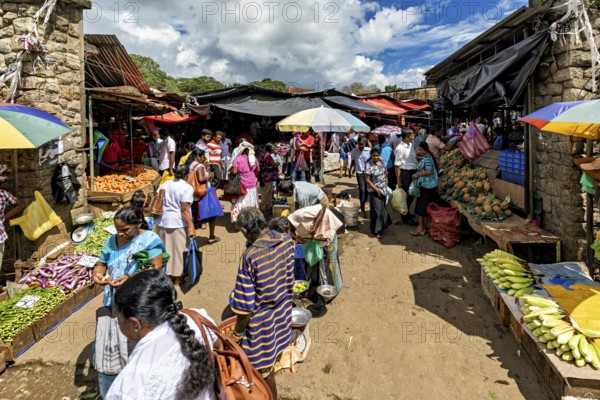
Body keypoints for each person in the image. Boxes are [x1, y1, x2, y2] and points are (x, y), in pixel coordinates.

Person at [106, 269, 217, 400]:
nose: (118, 324)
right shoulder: (198, 318)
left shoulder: (127, 387)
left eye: (118, 318)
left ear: (135, 324)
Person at [91, 206, 166, 397]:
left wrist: (129, 277)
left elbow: (155, 267)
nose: (121, 234)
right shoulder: (111, 240)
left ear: (138, 224)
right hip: (114, 301)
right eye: (118, 230)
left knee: (139, 346)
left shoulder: (150, 240)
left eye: (125, 230)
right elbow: (102, 262)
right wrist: (98, 273)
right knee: (114, 348)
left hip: (139, 301)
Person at [229, 208, 294, 398]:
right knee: (274, 356)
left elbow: (245, 306)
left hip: (263, 324)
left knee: (265, 371)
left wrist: (237, 333)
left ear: (245, 231)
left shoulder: (251, 256)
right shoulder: (287, 240)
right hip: (283, 313)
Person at [154, 165, 196, 284]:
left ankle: (165, 274)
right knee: (179, 250)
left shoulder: (165, 184)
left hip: (162, 221)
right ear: (187, 175)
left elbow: (158, 199)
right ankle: (178, 277)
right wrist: (191, 226)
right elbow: (184, 209)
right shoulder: (187, 188)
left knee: (165, 249)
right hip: (178, 223)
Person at [186, 149, 223, 244]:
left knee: (193, 218)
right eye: (203, 157)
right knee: (212, 216)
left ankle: (190, 240)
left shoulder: (191, 165)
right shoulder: (199, 166)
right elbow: (201, 179)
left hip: (192, 195)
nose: (204, 159)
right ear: (198, 157)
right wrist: (210, 175)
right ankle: (211, 236)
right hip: (201, 195)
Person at [411, 142, 439, 236]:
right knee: (426, 206)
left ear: (425, 150)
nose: (419, 151)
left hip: (426, 187)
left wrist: (418, 174)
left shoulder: (427, 159)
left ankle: (420, 228)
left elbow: (429, 171)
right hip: (428, 186)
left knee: (421, 207)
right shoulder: (427, 158)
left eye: (420, 149)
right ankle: (427, 226)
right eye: (418, 149)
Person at [229, 141, 260, 223]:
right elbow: (258, 170)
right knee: (252, 202)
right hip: (252, 184)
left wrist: (231, 170)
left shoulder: (237, 159)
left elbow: (235, 171)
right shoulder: (254, 159)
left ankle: (238, 221)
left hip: (242, 185)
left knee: (240, 203)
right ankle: (251, 219)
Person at [365, 147, 392, 239]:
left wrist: (387, 181)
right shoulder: (368, 164)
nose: (376, 157)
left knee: (382, 209)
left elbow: (385, 172)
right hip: (374, 191)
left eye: (377, 155)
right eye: (374, 155)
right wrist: (376, 190)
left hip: (383, 189)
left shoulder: (382, 161)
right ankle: (377, 230)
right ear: (371, 155)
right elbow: (367, 180)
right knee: (376, 210)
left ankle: (380, 226)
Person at [394, 130, 418, 225]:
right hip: (405, 173)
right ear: (407, 137)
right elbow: (397, 166)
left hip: (412, 172)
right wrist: (399, 180)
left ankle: (407, 213)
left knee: (411, 194)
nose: (414, 136)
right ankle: (405, 218)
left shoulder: (410, 144)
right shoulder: (400, 148)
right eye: (412, 135)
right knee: (407, 195)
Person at [0, 187, 24, 272]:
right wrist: (3, 217)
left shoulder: (2, 194)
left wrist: (4, 217)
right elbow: (20, 205)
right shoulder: (2, 194)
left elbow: (20, 205)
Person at [349, 138, 371, 217]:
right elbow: (353, 161)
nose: (361, 146)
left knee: (367, 190)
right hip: (359, 173)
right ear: (357, 143)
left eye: (362, 144)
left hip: (368, 173)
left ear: (365, 143)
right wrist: (350, 170)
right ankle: (362, 209)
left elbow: (371, 161)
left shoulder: (369, 150)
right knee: (362, 190)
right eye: (359, 144)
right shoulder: (355, 151)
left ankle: (364, 202)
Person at [259, 143, 279, 215]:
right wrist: (277, 164)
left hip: (264, 176)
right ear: (270, 149)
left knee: (266, 192)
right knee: (267, 192)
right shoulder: (268, 156)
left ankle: (266, 207)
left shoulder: (263, 155)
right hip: (268, 176)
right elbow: (275, 165)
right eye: (273, 148)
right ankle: (264, 208)